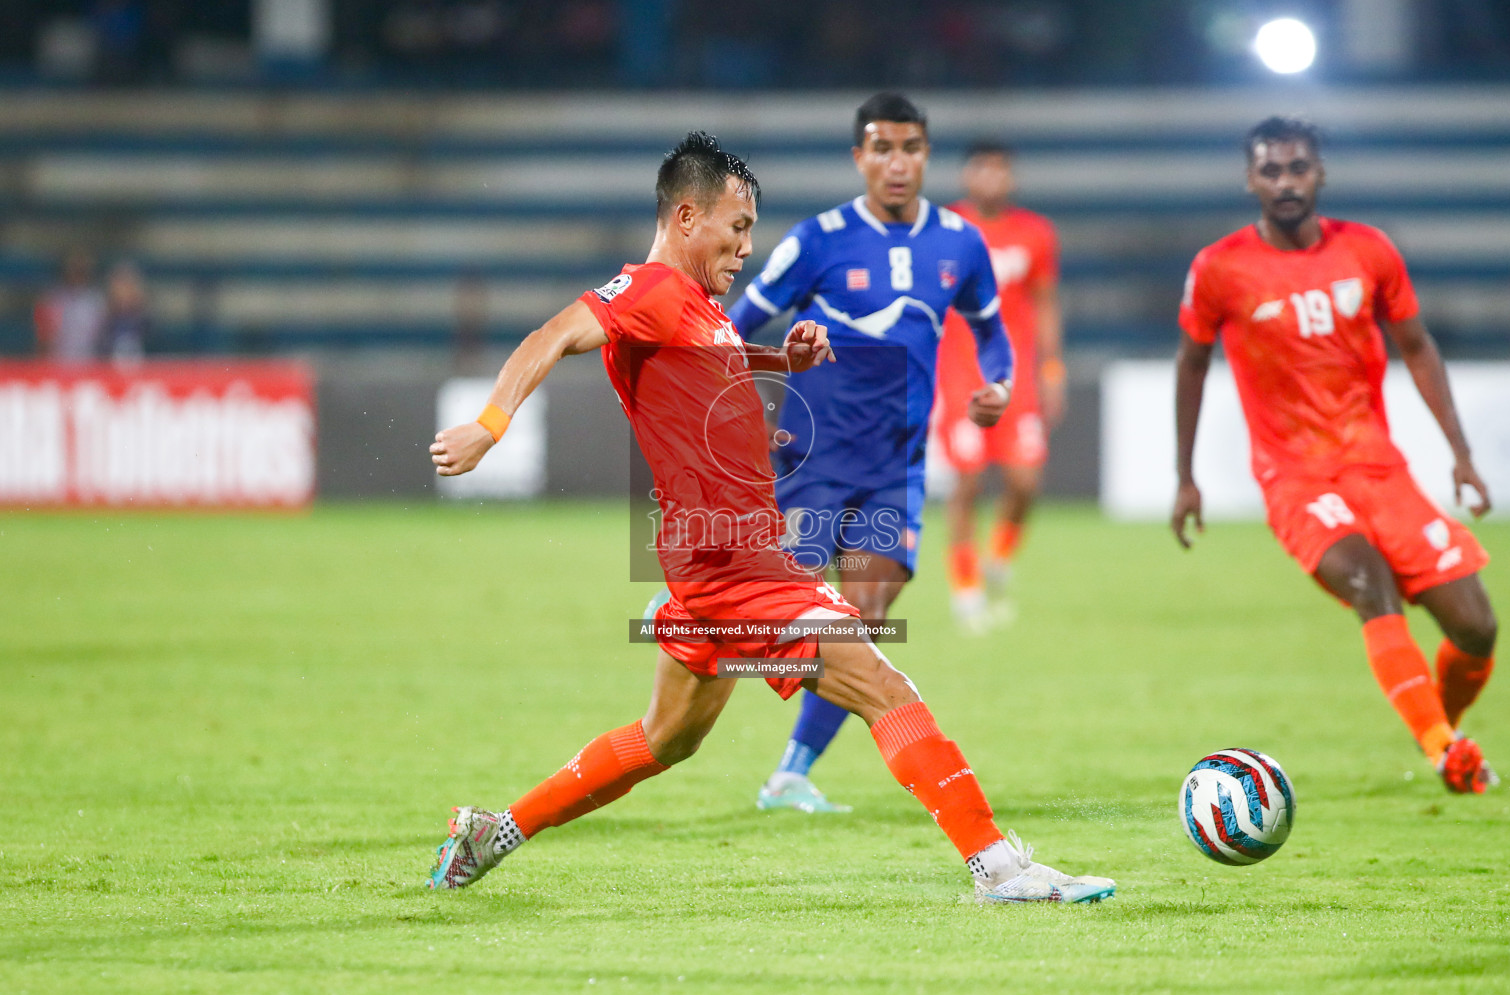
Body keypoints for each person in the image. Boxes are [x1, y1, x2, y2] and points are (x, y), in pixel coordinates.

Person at [425, 132, 1114, 903]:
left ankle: (494, 831)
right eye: (738, 226)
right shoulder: (649, 291)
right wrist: (490, 424)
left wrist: (781, 361)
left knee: (666, 739)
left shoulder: (694, 308)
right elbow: (554, 335)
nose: (748, 246)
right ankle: (999, 869)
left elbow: (705, 361)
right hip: (736, 567)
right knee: (885, 684)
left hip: (716, 565)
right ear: (687, 217)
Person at [1172, 116, 1499, 794]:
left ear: (1320, 173)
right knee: (1366, 582)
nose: (1285, 181)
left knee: (1476, 627)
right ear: (1249, 179)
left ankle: (1440, 732)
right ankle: (1442, 747)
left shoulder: (1370, 251)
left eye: (1297, 168)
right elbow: (1191, 366)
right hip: (1295, 476)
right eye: (1270, 169)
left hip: (1380, 469)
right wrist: (1186, 476)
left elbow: (1416, 347)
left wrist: (1460, 454)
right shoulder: (1220, 268)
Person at [727, 93, 1014, 814]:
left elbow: (991, 332)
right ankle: (696, 612)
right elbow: (734, 327)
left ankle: (789, 773)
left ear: (926, 155)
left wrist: (997, 386)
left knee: (866, 614)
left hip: (896, 469)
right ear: (859, 157)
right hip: (812, 464)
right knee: (775, 620)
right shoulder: (817, 241)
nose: (897, 162)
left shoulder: (959, 244)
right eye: (881, 148)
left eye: (910, 148)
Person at [932, 140, 1064, 631]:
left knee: (1026, 482)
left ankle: (999, 558)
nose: (991, 179)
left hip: (1016, 381)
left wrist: (1052, 370)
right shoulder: (942, 230)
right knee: (965, 483)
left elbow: (1046, 302)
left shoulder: (1036, 234)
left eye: (999, 170)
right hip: (960, 379)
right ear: (967, 176)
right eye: (981, 170)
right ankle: (966, 590)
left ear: (1011, 178)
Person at [34, 248, 107, 363]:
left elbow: (104, 338)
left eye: (81, 268)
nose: (77, 271)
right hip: (57, 362)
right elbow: (43, 337)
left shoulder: (98, 300)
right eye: (74, 267)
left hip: (90, 364)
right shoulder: (53, 298)